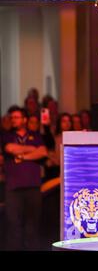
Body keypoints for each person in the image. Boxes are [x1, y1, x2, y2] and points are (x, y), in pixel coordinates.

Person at [2, 106, 48, 250]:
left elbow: (43, 152)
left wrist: (22, 156)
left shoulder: (35, 135)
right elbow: (10, 148)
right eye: (12, 117)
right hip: (13, 188)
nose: (13, 120)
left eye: (16, 117)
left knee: (32, 228)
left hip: (33, 187)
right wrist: (31, 149)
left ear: (24, 119)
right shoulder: (6, 135)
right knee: (14, 227)